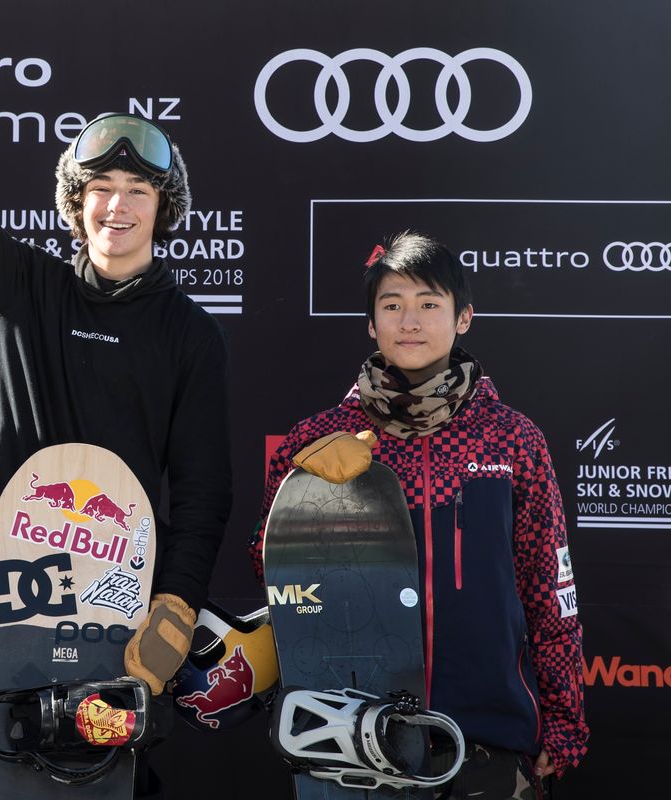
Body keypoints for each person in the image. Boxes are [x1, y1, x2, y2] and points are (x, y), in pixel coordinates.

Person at [0, 34, 232, 800]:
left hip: (116, 619)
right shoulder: (22, 285)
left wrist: (176, 604)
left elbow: (203, 490)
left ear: (165, 210)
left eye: (137, 189)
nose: (116, 205)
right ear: (74, 201)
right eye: (100, 186)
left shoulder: (190, 332)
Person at [249, 232, 587, 799]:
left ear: (463, 318)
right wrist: (306, 498)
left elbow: (550, 591)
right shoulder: (316, 440)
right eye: (392, 305)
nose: (410, 320)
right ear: (371, 323)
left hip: (488, 738)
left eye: (429, 304)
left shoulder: (513, 439)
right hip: (349, 739)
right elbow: (272, 573)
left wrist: (564, 719)